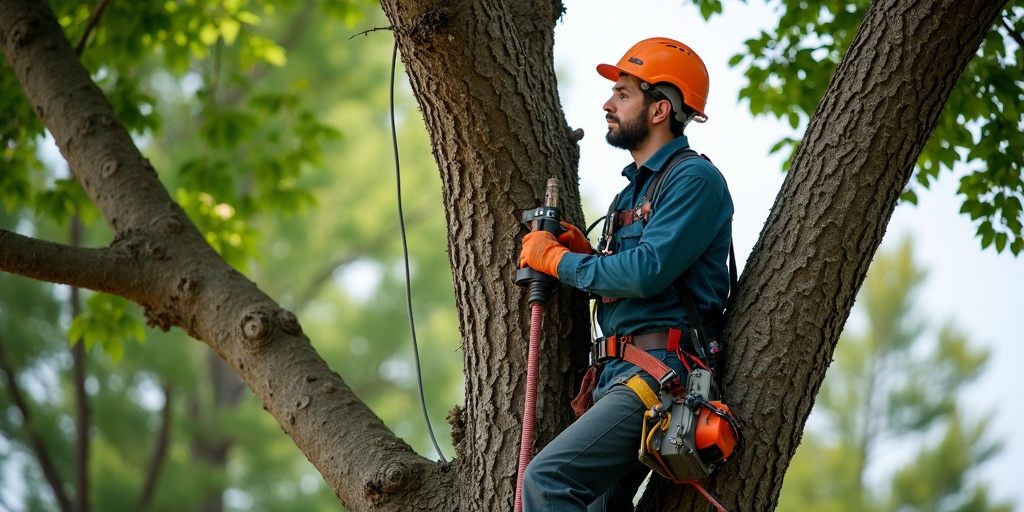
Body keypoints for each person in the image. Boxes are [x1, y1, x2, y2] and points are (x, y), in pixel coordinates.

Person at [517, 37, 734, 511]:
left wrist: (557, 261)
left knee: (548, 481)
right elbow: (630, 273)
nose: (607, 104)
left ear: (659, 110)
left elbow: (644, 274)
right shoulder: (632, 194)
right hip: (618, 373)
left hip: (659, 374)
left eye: (622, 93)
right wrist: (588, 253)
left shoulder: (693, 180)